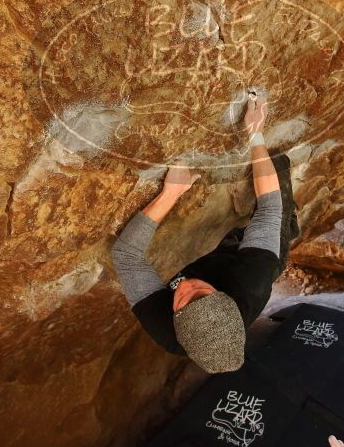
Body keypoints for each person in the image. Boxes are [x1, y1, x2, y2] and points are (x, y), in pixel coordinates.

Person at [111, 92, 300, 373]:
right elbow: (269, 207)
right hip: (246, 262)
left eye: (184, 300)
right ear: (226, 298)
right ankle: (289, 227)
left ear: (175, 320)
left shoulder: (166, 330)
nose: (187, 286)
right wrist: (255, 135)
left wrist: (172, 192)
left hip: (224, 262)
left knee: (236, 238)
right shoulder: (254, 278)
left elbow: (125, 255)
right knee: (279, 193)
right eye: (204, 292)